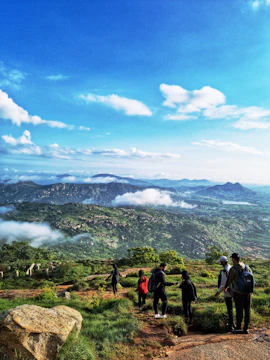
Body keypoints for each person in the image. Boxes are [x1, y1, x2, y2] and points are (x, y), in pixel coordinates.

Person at [224, 253, 253, 334]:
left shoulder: (233, 269)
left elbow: (229, 280)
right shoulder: (247, 267)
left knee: (239, 310)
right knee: (247, 310)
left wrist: (225, 287)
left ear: (233, 259)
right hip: (248, 292)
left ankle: (238, 327)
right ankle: (246, 328)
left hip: (238, 292)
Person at [215, 255, 234, 331]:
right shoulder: (232, 269)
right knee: (234, 309)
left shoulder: (224, 272)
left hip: (228, 292)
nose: (220, 264)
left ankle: (230, 326)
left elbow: (223, 285)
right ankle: (235, 324)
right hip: (235, 291)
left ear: (223, 262)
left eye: (221, 262)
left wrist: (217, 293)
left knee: (230, 309)